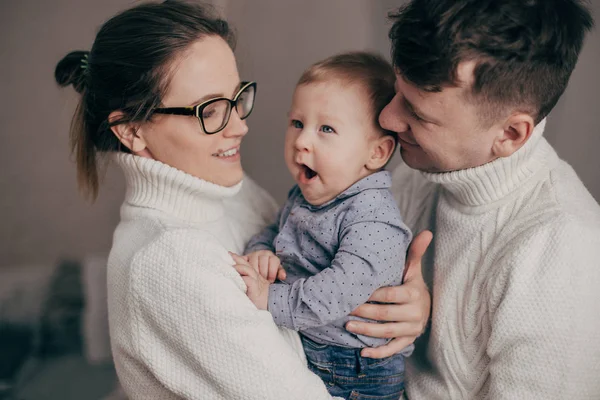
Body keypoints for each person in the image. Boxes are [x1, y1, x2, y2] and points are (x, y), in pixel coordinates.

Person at [54, 1, 430, 399]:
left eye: (236, 99)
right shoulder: (169, 259)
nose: (240, 125)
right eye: (210, 110)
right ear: (132, 132)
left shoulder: (226, 192)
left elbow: (304, 259)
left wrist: (404, 309)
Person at [369, 0, 600, 398]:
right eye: (397, 90)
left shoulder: (560, 250)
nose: (387, 119)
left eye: (418, 113)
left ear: (510, 134)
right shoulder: (419, 171)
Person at [240, 52, 412, 400]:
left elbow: (338, 290)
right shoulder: (310, 193)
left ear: (376, 153)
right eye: (297, 123)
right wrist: (261, 252)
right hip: (315, 345)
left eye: (326, 129)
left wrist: (268, 299)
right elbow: (279, 230)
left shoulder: (372, 217)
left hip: (355, 370)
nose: (302, 141)